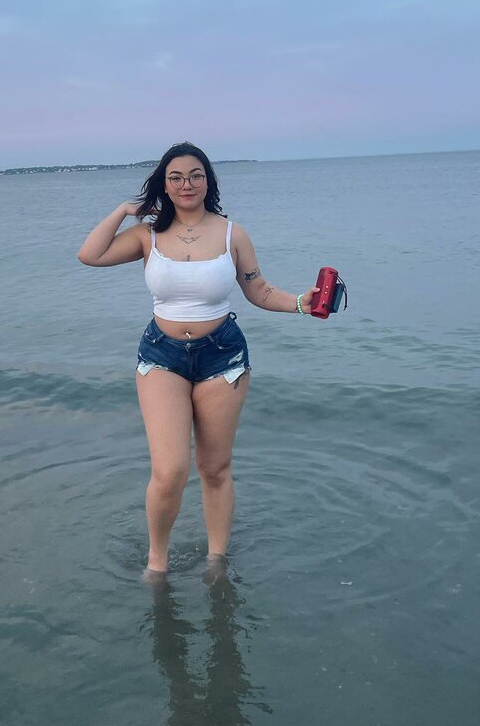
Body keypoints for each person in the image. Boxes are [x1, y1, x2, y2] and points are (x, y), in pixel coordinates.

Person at [77, 141, 321, 574]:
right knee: (170, 471)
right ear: (164, 185)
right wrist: (125, 210)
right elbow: (89, 255)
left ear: (208, 181)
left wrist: (304, 303)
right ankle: (157, 563)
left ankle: (216, 561)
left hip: (222, 355)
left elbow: (259, 290)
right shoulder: (147, 235)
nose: (186, 184)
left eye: (195, 175)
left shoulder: (232, 234)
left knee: (215, 467)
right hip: (161, 356)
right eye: (175, 177)